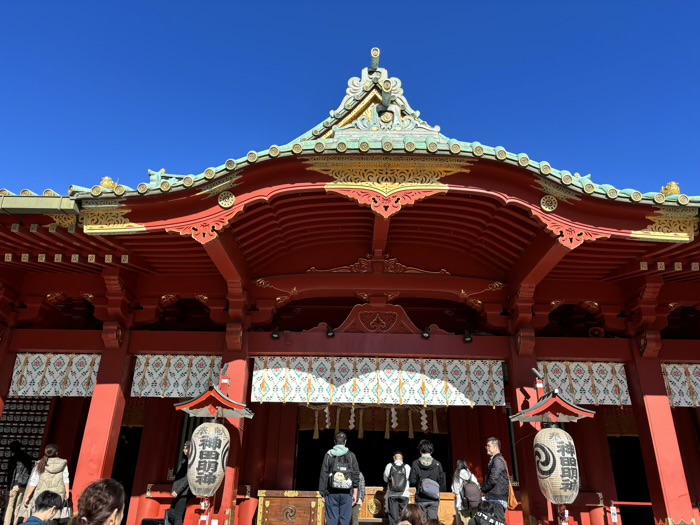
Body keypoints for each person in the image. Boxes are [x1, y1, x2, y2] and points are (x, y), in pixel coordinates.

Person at [318, 432, 360, 525]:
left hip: (331, 492)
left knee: (332, 520)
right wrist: (355, 493)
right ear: (345, 441)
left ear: (334, 441)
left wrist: (323, 493)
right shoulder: (351, 455)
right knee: (345, 520)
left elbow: (323, 474)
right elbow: (356, 474)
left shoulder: (329, 455)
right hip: (347, 493)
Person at [22, 445, 69, 517]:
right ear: (56, 453)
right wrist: (67, 492)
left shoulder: (40, 463)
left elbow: (34, 481)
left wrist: (28, 496)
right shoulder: (63, 464)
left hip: (41, 495)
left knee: (40, 515)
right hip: (57, 495)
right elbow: (66, 479)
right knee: (54, 516)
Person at [408, 440, 445, 521]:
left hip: (421, 497)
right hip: (434, 497)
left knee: (421, 521)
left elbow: (412, 481)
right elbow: (441, 482)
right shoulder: (437, 464)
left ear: (420, 450)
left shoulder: (415, 463)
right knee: (433, 521)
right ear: (431, 450)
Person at [481, 438, 509, 523]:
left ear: (496, 447)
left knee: (498, 522)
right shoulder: (495, 460)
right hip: (495, 497)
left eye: (489, 446)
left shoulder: (497, 460)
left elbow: (493, 479)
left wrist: (482, 490)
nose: (487, 448)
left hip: (497, 498)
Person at [4, 442, 32, 525]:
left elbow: (11, 474)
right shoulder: (28, 458)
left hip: (15, 484)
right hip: (23, 485)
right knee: (18, 506)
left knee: (10, 506)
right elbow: (29, 472)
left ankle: (7, 523)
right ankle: (15, 523)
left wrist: (9, 488)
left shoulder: (14, 459)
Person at [166, 441, 193, 525]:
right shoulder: (185, 460)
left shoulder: (192, 462)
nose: (184, 450)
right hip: (179, 492)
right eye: (184, 448)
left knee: (178, 516)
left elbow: (188, 478)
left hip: (183, 492)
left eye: (186, 448)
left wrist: (177, 490)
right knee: (171, 513)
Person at [383, 451, 411, 525]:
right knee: (404, 517)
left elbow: (385, 479)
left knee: (393, 518)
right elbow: (410, 479)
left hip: (392, 495)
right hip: (404, 494)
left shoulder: (389, 466)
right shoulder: (407, 466)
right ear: (402, 458)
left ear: (393, 458)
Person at [452, 460, 480, 524]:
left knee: (465, 521)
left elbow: (455, 490)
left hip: (463, 503)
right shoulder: (471, 475)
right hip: (474, 503)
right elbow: (477, 486)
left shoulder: (456, 476)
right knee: (475, 520)